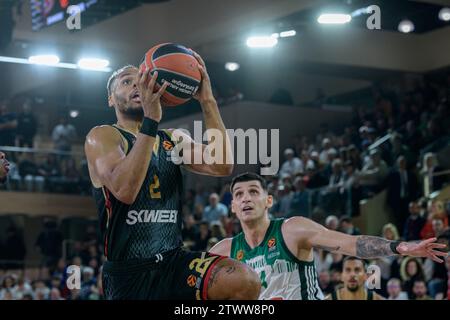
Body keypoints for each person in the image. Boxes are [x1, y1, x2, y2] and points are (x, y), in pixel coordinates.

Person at [84, 52, 260, 300]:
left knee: (244, 281)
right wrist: (151, 121)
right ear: (110, 99)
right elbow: (125, 190)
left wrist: (207, 100)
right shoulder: (102, 136)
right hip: (129, 275)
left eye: (142, 79)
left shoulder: (172, 139)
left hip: (174, 262)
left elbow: (221, 165)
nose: (137, 84)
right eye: (126, 81)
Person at [210, 172, 447, 300]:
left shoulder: (292, 230)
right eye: (239, 194)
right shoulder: (224, 251)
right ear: (232, 206)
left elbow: (350, 244)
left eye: (253, 192)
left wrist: (399, 247)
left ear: (268, 201)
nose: (246, 198)